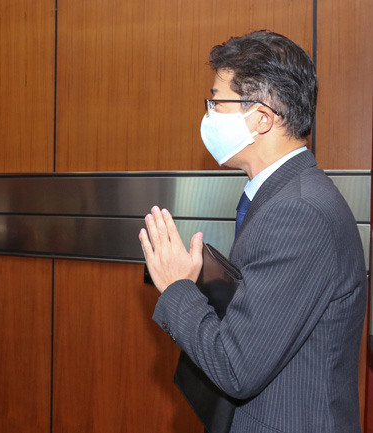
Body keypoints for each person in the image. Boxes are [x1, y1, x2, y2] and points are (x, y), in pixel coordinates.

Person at [140, 30, 366, 432]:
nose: (208, 114)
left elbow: (236, 367)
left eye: (217, 102)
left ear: (262, 118)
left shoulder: (299, 211)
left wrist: (178, 287)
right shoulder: (281, 193)